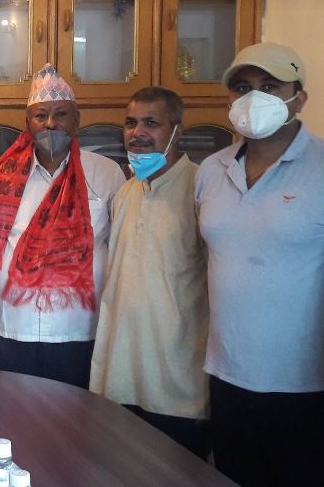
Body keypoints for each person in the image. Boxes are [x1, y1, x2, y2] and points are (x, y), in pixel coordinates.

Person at [195, 42, 324, 487]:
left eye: (269, 87)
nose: (254, 98)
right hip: (226, 372)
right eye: (242, 87)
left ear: (299, 98)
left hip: (303, 383)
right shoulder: (211, 170)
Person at [0, 63, 125, 389]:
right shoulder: (2, 174)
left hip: (81, 325)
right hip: (16, 323)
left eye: (60, 114)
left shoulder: (106, 173)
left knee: (77, 411)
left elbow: (122, 248)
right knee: (17, 408)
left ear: (76, 119)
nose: (50, 123)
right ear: (28, 122)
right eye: (41, 116)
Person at [88, 87, 210, 458]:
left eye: (151, 123)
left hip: (176, 384)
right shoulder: (126, 193)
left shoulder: (202, 189)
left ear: (177, 130)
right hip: (119, 374)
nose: (137, 133)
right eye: (130, 123)